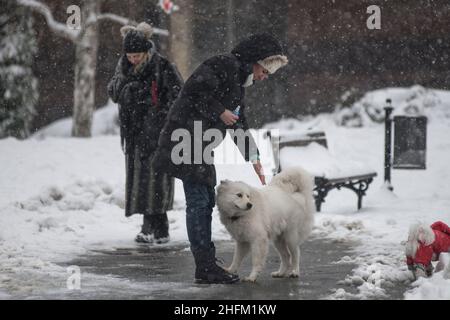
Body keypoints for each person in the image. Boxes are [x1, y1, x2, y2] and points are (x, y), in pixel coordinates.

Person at [153, 33, 288, 283]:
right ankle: (204, 268)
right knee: (199, 203)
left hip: (198, 144)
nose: (264, 77)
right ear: (255, 61)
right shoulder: (224, 64)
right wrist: (220, 111)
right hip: (185, 138)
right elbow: (193, 91)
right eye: (265, 71)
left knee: (204, 202)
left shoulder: (238, 83)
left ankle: (206, 264)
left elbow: (239, 122)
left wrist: (254, 158)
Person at [107, 22, 183, 244]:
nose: (134, 60)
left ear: (147, 51)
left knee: (157, 179)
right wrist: (124, 80)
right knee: (140, 181)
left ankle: (152, 227)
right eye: (130, 56)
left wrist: (159, 117)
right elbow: (113, 92)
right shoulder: (123, 67)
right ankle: (157, 228)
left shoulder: (163, 67)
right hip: (133, 135)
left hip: (159, 134)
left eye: (137, 56)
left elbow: (178, 96)